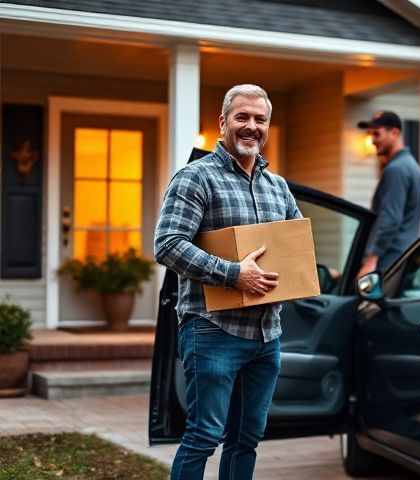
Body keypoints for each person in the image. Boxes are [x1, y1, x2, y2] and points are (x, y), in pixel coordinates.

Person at [154, 84, 301, 480]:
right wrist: (234, 274)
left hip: (266, 334)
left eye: (260, 119)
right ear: (223, 122)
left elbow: (294, 248)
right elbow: (167, 245)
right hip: (212, 330)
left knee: (246, 439)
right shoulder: (195, 178)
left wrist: (307, 274)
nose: (251, 126)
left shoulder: (279, 187)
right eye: (242, 117)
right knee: (204, 435)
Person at [356, 111, 420, 278]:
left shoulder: (397, 170)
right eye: (371, 134)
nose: (372, 140)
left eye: (377, 134)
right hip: (402, 260)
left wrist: (371, 260)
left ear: (394, 133)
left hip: (389, 263)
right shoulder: (410, 165)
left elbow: (390, 218)